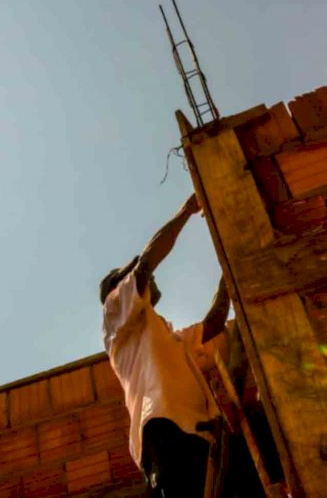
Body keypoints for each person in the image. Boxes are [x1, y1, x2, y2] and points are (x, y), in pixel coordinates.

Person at [100, 193, 233, 497]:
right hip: (165, 429)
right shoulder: (115, 312)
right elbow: (147, 264)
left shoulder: (165, 337)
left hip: (201, 435)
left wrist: (229, 265)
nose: (150, 278)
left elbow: (213, 324)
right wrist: (186, 211)